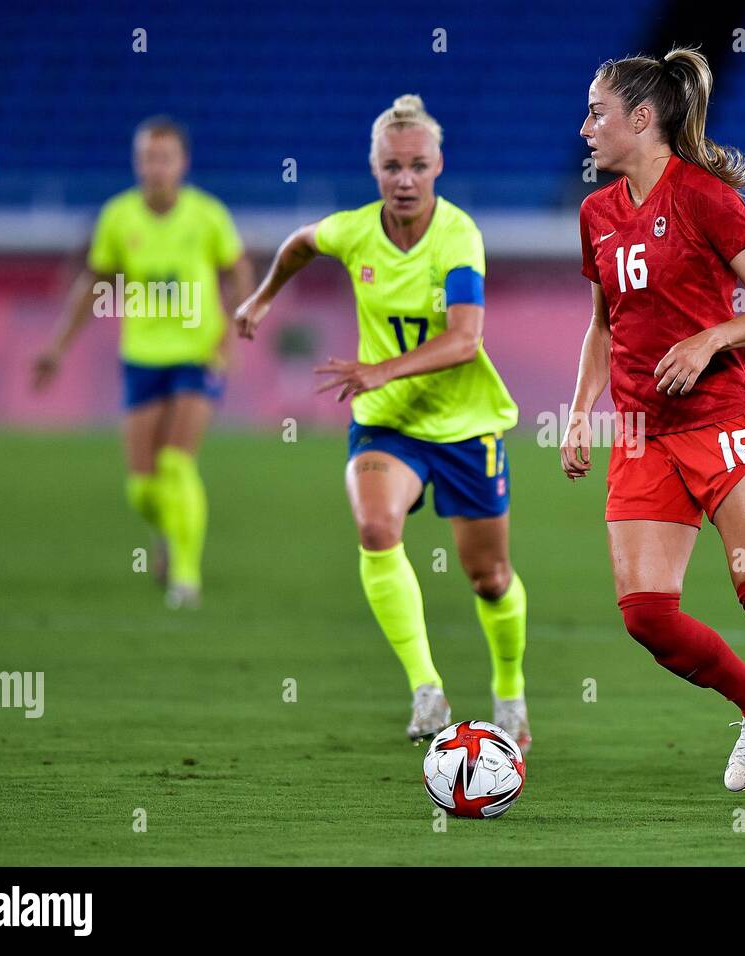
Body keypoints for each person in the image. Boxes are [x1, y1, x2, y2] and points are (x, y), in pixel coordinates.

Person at [562, 48, 745, 820]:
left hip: (724, 417)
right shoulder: (596, 214)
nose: (584, 126)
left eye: (596, 112)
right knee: (646, 618)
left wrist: (708, 340)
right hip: (640, 428)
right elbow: (604, 327)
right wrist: (578, 410)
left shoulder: (704, 199)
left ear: (641, 118)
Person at [233, 95, 530, 751]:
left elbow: (464, 341)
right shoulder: (354, 231)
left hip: (463, 426)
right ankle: (427, 691)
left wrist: (382, 369)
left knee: (490, 577)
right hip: (386, 425)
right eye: (392, 166)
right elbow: (301, 244)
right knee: (374, 526)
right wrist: (260, 298)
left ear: (438, 166)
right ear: (374, 168)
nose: (404, 180)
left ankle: (509, 692)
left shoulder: (458, 237)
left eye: (417, 166)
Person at [33, 116, 254, 609]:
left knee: (176, 461)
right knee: (141, 488)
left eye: (165, 159)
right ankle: (167, 533)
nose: (155, 168)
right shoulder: (118, 217)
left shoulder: (207, 216)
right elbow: (94, 284)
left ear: (183, 164)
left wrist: (234, 331)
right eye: (147, 159)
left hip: (198, 353)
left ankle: (186, 578)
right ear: (137, 163)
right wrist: (57, 348)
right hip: (141, 358)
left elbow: (238, 269)